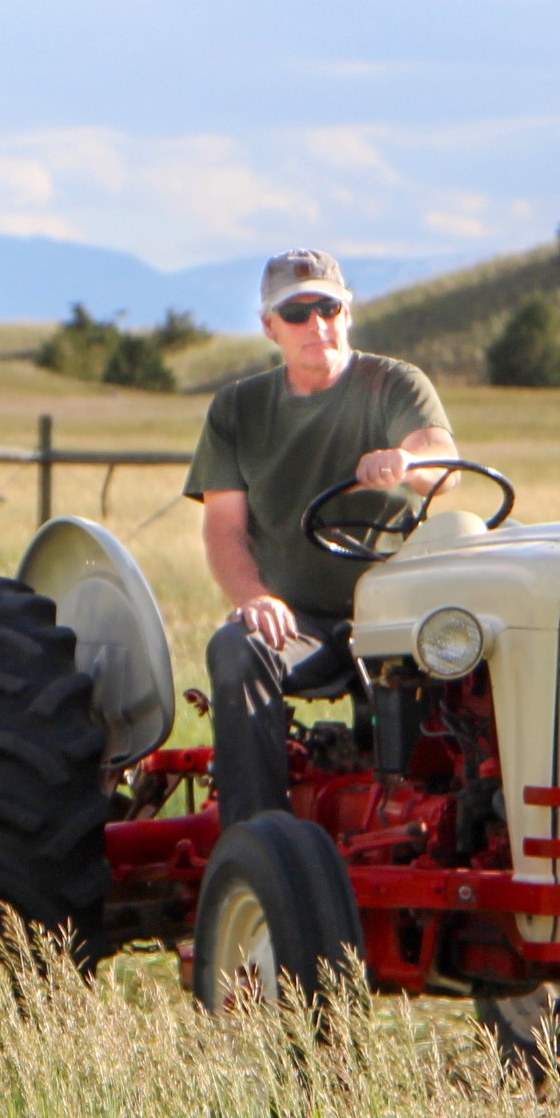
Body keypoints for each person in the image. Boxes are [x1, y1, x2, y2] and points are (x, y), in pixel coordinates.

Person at [184, 249, 458, 824]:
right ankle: (259, 835)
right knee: (237, 647)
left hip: (396, 615)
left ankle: (450, 814)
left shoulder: (393, 383)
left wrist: (405, 460)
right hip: (299, 621)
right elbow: (224, 529)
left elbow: (441, 460)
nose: (317, 324)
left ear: (347, 312)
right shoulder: (238, 409)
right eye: (297, 312)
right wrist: (255, 600)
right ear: (269, 326)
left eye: (328, 307)